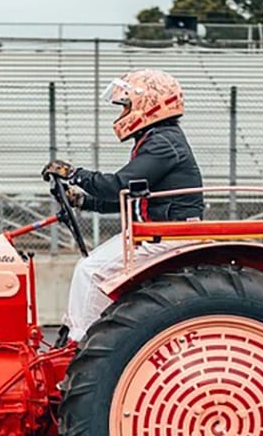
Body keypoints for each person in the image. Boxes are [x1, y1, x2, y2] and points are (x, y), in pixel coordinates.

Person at [41, 69, 204, 344]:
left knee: (89, 272)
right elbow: (131, 196)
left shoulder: (163, 143)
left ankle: (77, 345)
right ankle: (83, 336)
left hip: (166, 237)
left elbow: (118, 185)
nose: (122, 113)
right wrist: (82, 201)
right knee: (90, 268)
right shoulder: (160, 138)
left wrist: (73, 173)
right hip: (157, 233)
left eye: (126, 105)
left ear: (148, 105)